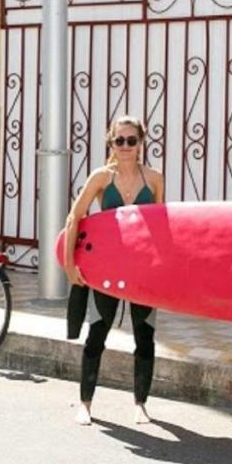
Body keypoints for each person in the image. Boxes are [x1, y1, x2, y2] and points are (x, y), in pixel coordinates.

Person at [63, 116, 165, 427]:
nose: (125, 147)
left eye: (131, 141)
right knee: (97, 334)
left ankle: (140, 404)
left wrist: (165, 272)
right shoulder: (101, 178)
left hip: (142, 270)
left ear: (140, 143)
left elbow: (161, 227)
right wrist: (70, 265)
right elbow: (74, 218)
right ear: (111, 143)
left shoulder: (155, 179)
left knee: (144, 336)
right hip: (106, 270)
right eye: (119, 140)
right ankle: (85, 403)